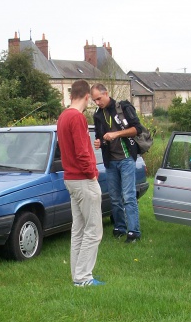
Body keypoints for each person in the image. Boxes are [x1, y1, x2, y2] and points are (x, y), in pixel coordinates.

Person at [57, 79, 104, 287]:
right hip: (83, 179)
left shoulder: (63, 116)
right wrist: (92, 174)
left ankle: (77, 276)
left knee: (79, 229)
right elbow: (82, 152)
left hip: (71, 179)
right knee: (93, 230)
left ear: (71, 95)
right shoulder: (77, 117)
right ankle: (84, 277)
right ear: (86, 96)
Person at [91, 83, 142, 243]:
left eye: (99, 98)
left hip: (126, 159)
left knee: (128, 196)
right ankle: (119, 227)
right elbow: (100, 137)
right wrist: (99, 142)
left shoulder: (123, 107)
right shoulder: (97, 115)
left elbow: (137, 129)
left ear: (106, 94)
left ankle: (133, 232)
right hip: (110, 161)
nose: (97, 102)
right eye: (94, 100)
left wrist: (116, 134)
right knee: (114, 197)